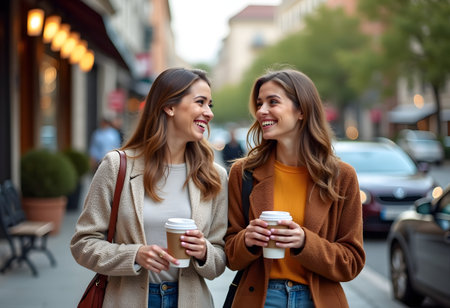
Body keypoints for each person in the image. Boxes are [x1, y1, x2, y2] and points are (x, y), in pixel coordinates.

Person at [71, 68, 228, 308]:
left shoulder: (214, 175)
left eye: (211, 105)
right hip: (126, 299)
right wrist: (134, 255)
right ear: (169, 106)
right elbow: (83, 244)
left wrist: (204, 251)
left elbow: (219, 258)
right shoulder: (117, 166)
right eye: (200, 102)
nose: (208, 113)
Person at [224, 69, 365, 308]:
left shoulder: (341, 176)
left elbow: (351, 262)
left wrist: (304, 242)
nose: (261, 111)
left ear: (301, 110)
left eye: (273, 102)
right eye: (259, 103)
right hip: (260, 297)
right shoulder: (243, 173)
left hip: (318, 299)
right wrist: (246, 239)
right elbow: (230, 254)